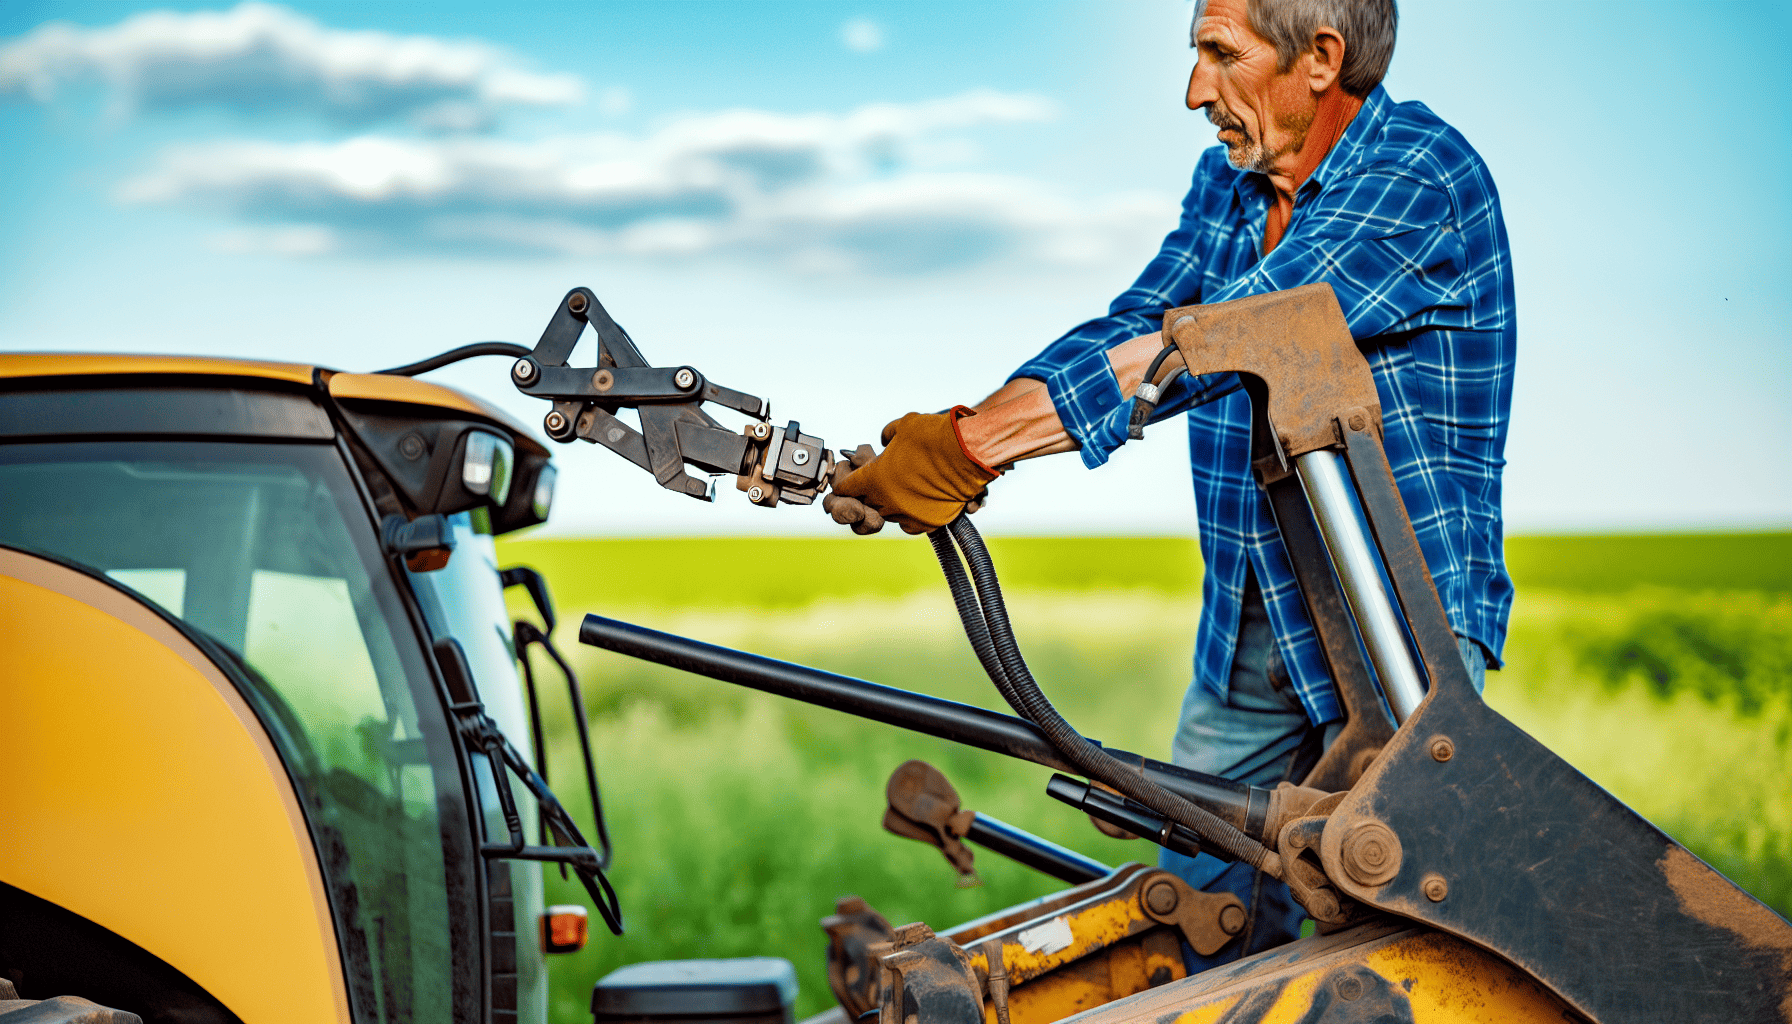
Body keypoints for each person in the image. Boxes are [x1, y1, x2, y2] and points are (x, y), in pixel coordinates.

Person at [824, 0, 1515, 967]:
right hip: (1247, 619)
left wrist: (978, 448)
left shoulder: (1418, 176)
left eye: (1220, 56)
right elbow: (1141, 324)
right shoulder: (1230, 180)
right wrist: (952, 432)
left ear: (1320, 59)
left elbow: (1232, 336)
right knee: (1192, 923)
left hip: (1390, 642)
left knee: (1395, 949)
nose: (1196, 92)